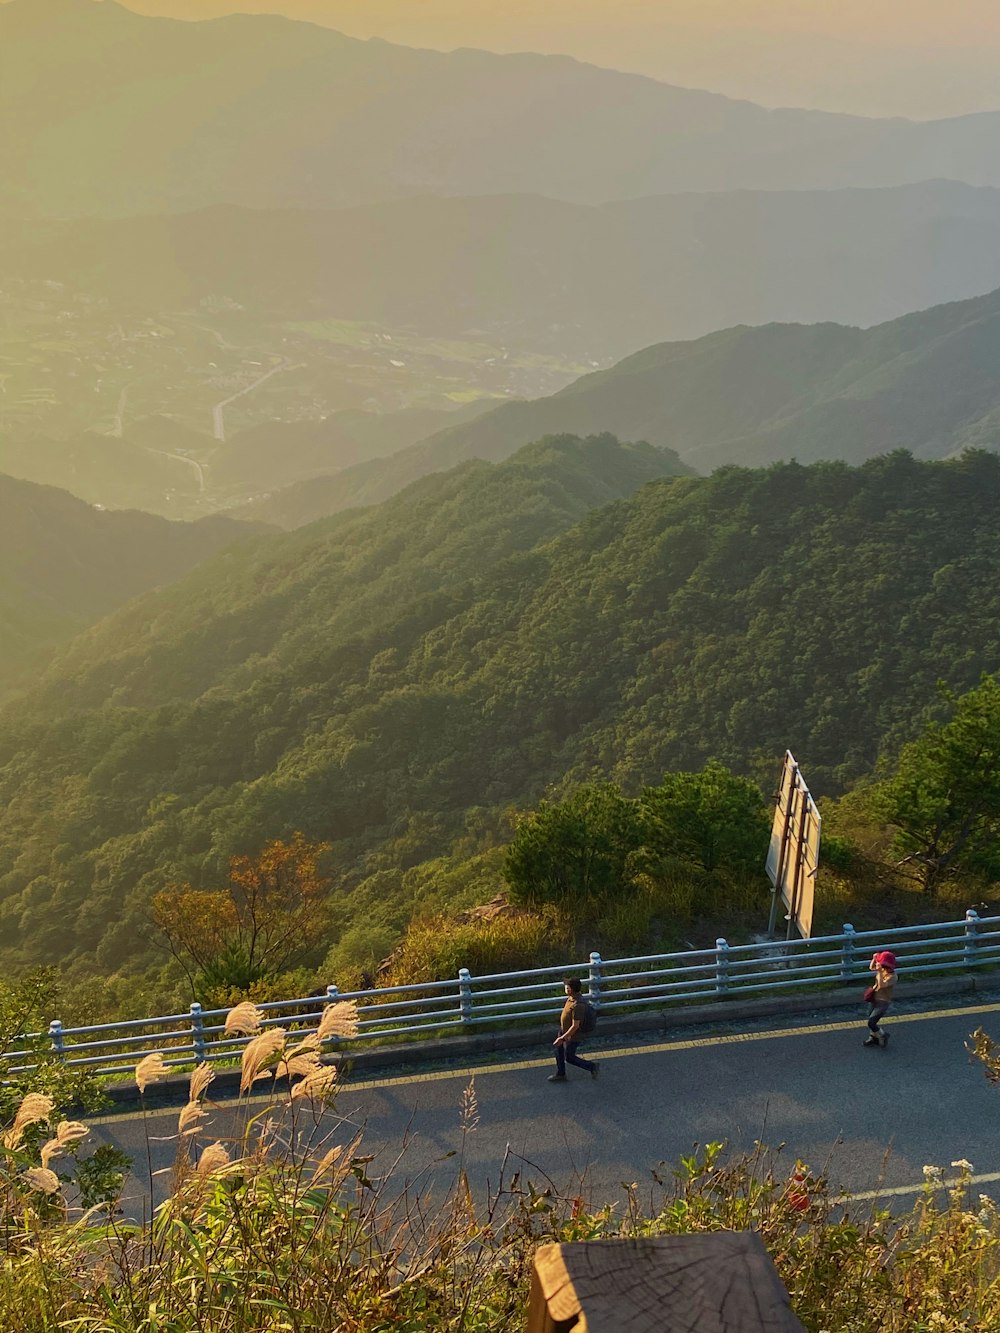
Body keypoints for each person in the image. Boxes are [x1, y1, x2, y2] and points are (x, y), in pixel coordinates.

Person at [548, 976, 598, 1082]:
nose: (565, 988)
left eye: (567, 986)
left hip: (573, 1035)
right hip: (564, 1031)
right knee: (559, 1051)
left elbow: (575, 1026)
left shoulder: (578, 1005)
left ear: (570, 989)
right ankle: (561, 1074)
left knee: (569, 1057)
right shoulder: (571, 998)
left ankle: (591, 1066)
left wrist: (562, 1038)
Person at [864, 950, 897, 1048]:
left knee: (872, 1022)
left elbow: (882, 985)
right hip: (874, 998)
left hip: (883, 1002)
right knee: (870, 1019)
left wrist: (879, 972)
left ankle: (882, 1035)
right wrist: (874, 960)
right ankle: (873, 1038)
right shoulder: (882, 970)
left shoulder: (893, 977)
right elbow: (871, 967)